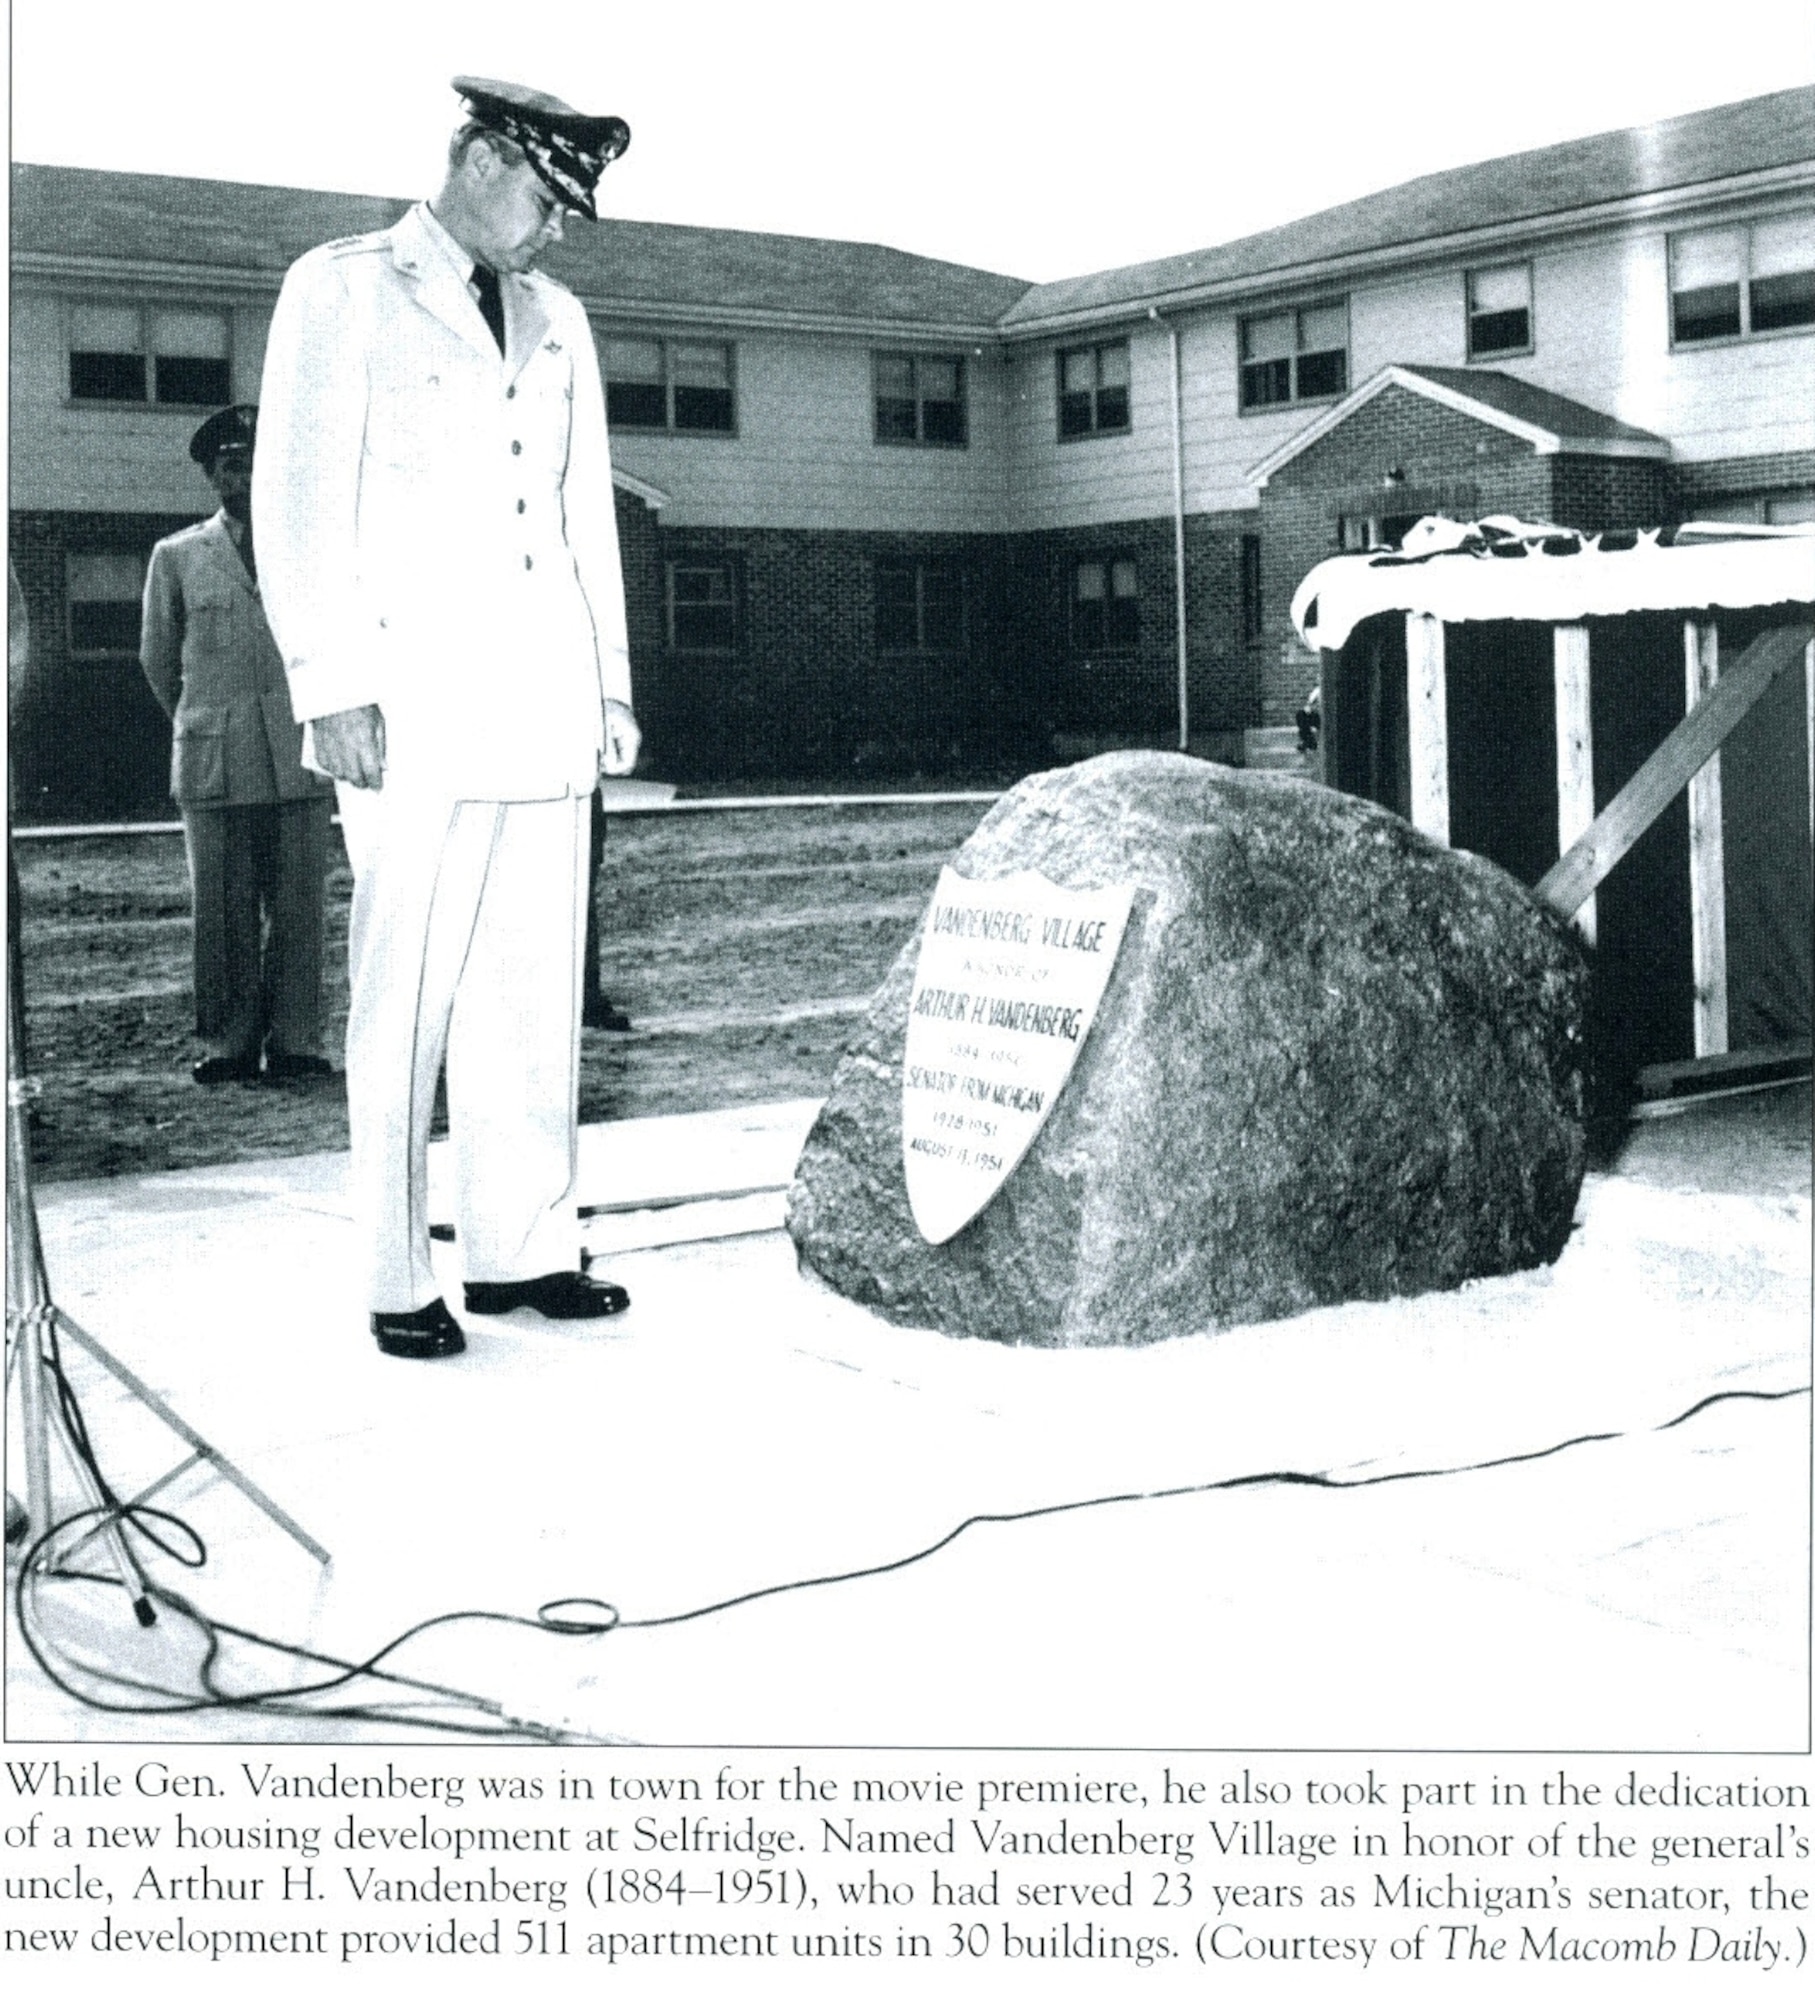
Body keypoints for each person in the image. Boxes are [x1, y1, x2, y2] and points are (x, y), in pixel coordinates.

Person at [254, 76, 640, 1361]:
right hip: (410, 709)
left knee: (531, 992)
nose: (556, 229)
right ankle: (389, 1271)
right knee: (404, 994)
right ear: (477, 162)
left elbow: (584, 515)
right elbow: (298, 497)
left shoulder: (560, 319)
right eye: (544, 197)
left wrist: (610, 690)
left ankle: (523, 1248)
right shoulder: (347, 286)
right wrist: (329, 685)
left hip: (538, 702)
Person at [139, 407, 334, 1085]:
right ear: (208, 475)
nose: (238, 473)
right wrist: (204, 720)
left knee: (300, 908)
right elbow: (159, 661)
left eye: (249, 460)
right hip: (214, 760)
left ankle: (297, 1041)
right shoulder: (178, 556)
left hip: (299, 756)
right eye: (225, 464)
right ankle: (228, 1044)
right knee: (221, 910)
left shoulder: (310, 551)